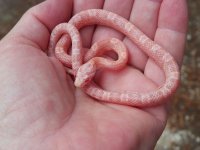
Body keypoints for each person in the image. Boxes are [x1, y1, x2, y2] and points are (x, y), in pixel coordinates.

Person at [0, 0, 188, 149]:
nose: (80, 82)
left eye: (84, 78)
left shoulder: (112, 58)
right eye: (81, 77)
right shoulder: (90, 59)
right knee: (67, 38)